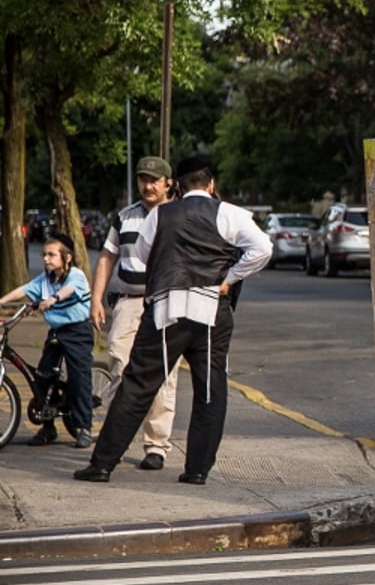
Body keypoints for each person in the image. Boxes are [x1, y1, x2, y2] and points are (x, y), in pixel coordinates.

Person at [74, 153, 271, 484]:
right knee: (210, 389)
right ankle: (196, 470)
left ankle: (103, 464)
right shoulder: (231, 214)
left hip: (168, 310)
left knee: (138, 385)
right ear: (211, 184)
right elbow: (263, 249)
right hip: (212, 310)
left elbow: (145, 254)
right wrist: (230, 278)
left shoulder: (160, 215)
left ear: (177, 185)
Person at [89, 155, 179, 471]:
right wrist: (96, 299)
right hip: (128, 300)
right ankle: (114, 440)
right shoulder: (124, 217)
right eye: (143, 179)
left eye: (154, 179)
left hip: (167, 302)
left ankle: (156, 446)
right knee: (119, 364)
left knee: (163, 374)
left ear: (169, 183)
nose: (148, 185)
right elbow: (106, 257)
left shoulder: (177, 216)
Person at [0, 233, 95, 447]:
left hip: (78, 331)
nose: (46, 259)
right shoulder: (44, 280)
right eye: (44, 254)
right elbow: (21, 291)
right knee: (42, 376)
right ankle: (48, 427)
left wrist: (54, 298)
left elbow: (68, 290)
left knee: (79, 377)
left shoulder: (76, 276)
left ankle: (84, 427)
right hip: (57, 332)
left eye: (52, 255)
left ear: (67, 257)